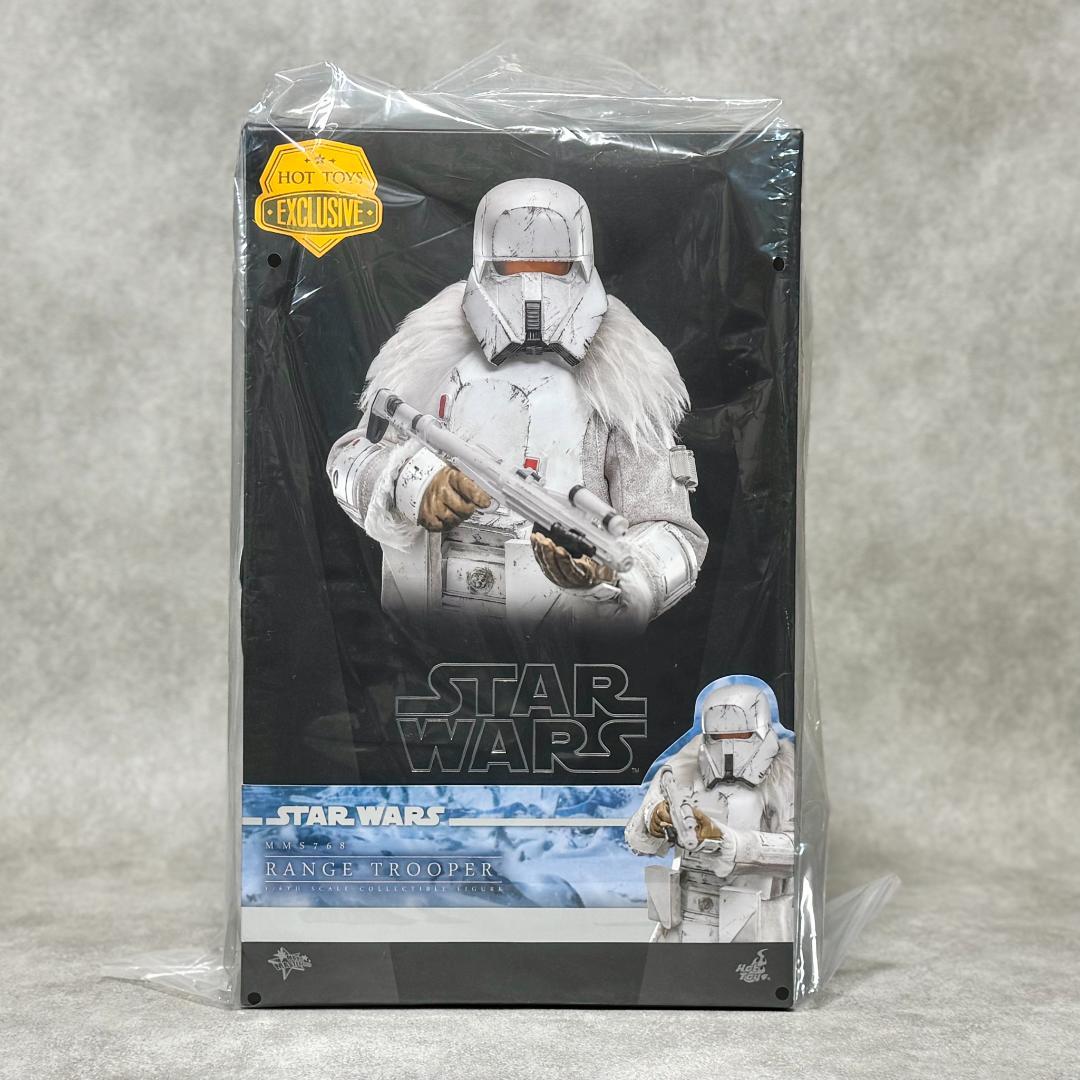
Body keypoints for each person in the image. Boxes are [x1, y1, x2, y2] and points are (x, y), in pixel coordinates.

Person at [327, 178, 705, 634]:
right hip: (421, 631)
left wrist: (616, 577)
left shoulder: (623, 373)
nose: (533, 284)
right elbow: (350, 459)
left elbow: (672, 532)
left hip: (560, 640)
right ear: (486, 264)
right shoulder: (432, 349)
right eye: (513, 265)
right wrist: (412, 482)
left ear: (580, 265)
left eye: (555, 266)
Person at [624, 679, 795, 942]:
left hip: (755, 922)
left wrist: (727, 842)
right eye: (718, 736)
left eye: (741, 735)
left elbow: (801, 851)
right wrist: (653, 820)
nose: (728, 744)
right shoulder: (685, 764)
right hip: (684, 919)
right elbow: (637, 840)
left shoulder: (785, 771)